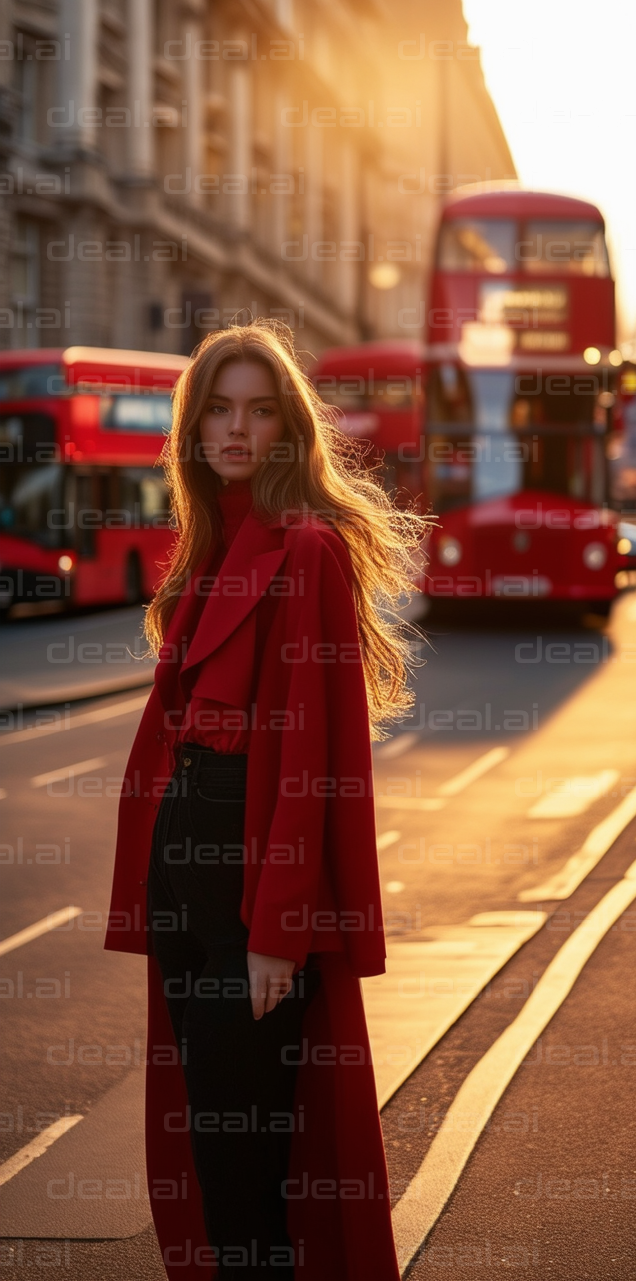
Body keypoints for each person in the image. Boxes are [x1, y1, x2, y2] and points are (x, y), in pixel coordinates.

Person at [105, 321, 426, 1281]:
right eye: (219, 408)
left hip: (250, 896)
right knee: (210, 1157)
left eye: (260, 411)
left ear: (289, 430)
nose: (237, 429)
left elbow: (313, 760)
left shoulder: (308, 552)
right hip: (185, 882)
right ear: (193, 425)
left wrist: (279, 930)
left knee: (250, 1181)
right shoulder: (208, 548)